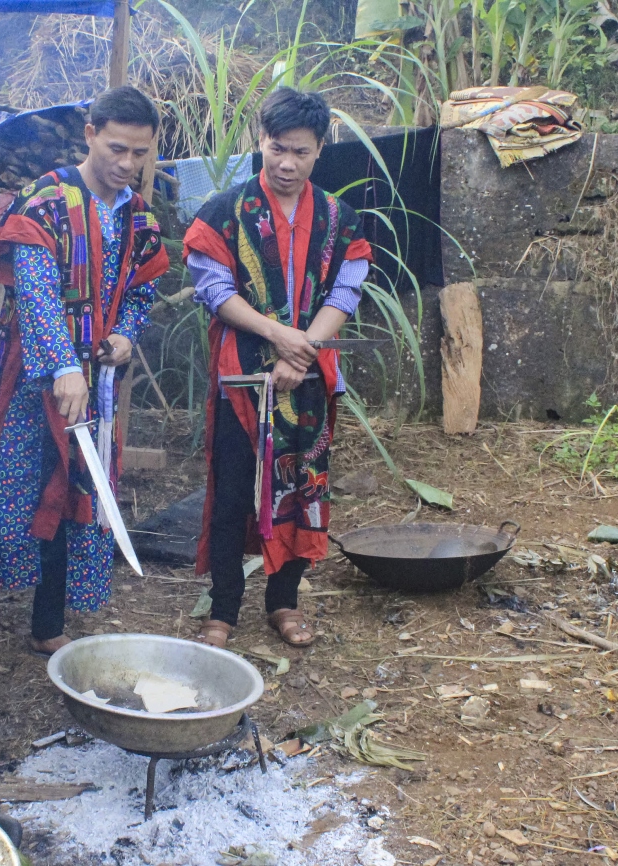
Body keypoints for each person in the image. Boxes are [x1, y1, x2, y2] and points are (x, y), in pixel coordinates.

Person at [0, 86, 169, 689]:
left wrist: (124, 338)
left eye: (140, 154)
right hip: (32, 382)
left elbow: (140, 294)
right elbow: (36, 289)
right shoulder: (46, 199)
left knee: (79, 499)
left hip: (95, 386)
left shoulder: (139, 218)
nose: (127, 164)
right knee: (9, 497)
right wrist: (60, 367)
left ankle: (47, 624)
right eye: (117, 148)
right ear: (90, 133)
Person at [183, 87, 373, 649]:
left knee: (302, 486)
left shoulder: (340, 217)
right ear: (260, 141)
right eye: (277, 148)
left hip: (308, 379)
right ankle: (222, 609)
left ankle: (283, 604)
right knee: (234, 489)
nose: (287, 163)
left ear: (320, 150)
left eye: (302, 152)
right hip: (242, 377)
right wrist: (279, 337)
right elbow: (214, 290)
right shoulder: (226, 210)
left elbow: (347, 290)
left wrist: (305, 350)